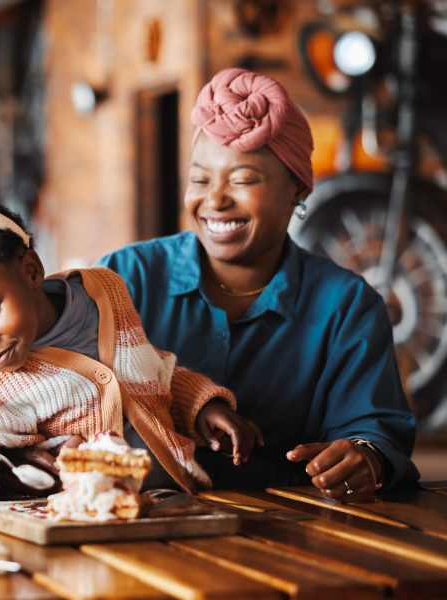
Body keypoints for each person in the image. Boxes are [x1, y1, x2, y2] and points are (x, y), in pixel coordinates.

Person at [98, 67, 419, 498]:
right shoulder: (125, 278)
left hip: (288, 531)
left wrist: (365, 457)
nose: (214, 200)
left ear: (297, 190)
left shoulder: (345, 305)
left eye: (243, 179)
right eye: (200, 179)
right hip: (135, 519)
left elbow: (376, 432)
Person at [0, 194, 261, 513]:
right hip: (78, 530)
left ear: (32, 271)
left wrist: (202, 407)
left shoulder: (105, 292)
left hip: (182, 504)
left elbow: (150, 371)